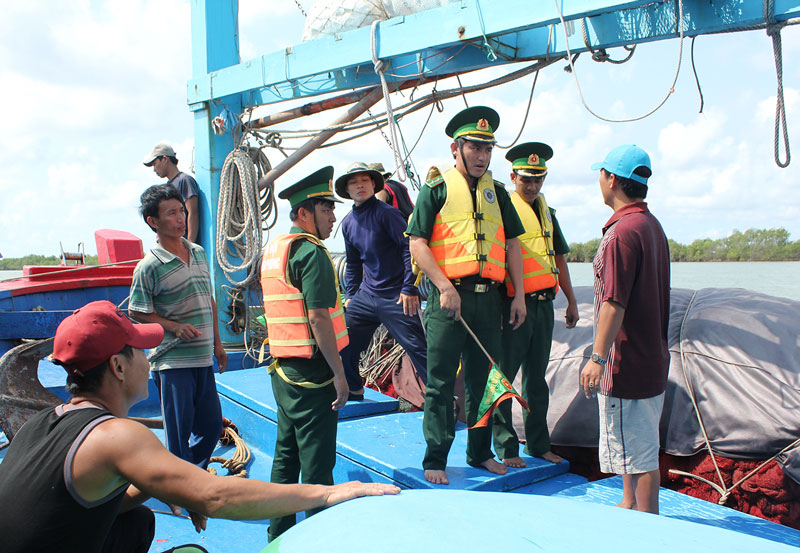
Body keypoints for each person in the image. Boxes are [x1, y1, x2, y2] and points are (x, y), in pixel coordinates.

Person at [0, 300, 400, 553]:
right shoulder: (115, 436)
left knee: (137, 522)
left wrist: (159, 489)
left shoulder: (42, 423)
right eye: (142, 349)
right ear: (118, 367)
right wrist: (327, 494)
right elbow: (217, 497)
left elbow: (70, 507)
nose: (150, 357)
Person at [406, 106, 527, 485]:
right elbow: (417, 243)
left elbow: (512, 244)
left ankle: (479, 453)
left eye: (487, 149)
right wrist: (443, 286)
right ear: (456, 148)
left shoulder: (499, 194)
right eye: (474, 147)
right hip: (447, 301)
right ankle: (436, 458)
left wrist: (518, 295)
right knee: (440, 383)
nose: (481, 155)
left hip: (488, 300)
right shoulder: (436, 189)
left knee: (485, 380)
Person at [260, 166, 351, 540]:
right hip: (314, 376)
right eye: (326, 209)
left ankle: (279, 533)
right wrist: (340, 375)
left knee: (285, 458)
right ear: (303, 213)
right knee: (317, 466)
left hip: (282, 370)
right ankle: (316, 541)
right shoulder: (311, 254)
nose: (333, 217)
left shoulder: (277, 249)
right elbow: (317, 317)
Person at [579, 144, 670, 514]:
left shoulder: (620, 235)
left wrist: (597, 358)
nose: (600, 180)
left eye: (601, 174)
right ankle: (629, 502)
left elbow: (613, 304)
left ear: (612, 179)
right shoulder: (649, 225)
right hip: (650, 359)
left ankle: (647, 525)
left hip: (626, 364)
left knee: (642, 454)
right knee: (632, 445)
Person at [492, 142, 579, 468]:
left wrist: (571, 300)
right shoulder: (503, 211)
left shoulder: (547, 213)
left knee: (536, 380)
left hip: (544, 306)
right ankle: (505, 446)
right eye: (526, 179)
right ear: (513, 177)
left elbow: (559, 258)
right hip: (514, 305)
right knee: (502, 377)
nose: (532, 186)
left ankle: (538, 445)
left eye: (538, 180)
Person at [129, 184, 226, 473]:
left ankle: (191, 475)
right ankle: (182, 489)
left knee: (211, 427)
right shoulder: (148, 266)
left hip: (202, 359)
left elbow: (208, 299)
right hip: (172, 363)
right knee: (178, 433)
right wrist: (173, 326)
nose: (181, 218)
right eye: (171, 213)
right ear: (153, 222)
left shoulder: (197, 252)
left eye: (181, 211)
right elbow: (137, 310)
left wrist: (218, 345)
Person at [335, 161, 428, 400]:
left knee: (419, 350)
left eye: (365, 181)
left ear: (374, 184)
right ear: (348, 190)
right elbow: (354, 263)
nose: (360, 186)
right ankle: (354, 388)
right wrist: (351, 296)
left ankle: (442, 400)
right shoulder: (347, 223)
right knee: (343, 340)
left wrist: (409, 288)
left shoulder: (388, 214)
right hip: (366, 296)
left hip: (396, 295)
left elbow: (409, 250)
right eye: (354, 183)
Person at [143, 142, 200, 243]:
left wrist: (190, 245)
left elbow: (193, 212)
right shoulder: (168, 186)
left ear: (164, 159)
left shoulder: (184, 180)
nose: (154, 169)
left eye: (155, 164)